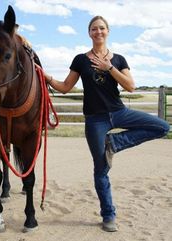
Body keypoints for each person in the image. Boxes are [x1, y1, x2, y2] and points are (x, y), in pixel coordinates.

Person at [44, 16, 170, 232]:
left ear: (108, 31)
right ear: (89, 33)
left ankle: (115, 142)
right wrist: (44, 76)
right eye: (94, 29)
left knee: (162, 127)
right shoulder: (80, 60)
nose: (98, 32)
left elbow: (130, 86)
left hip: (119, 112)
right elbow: (65, 87)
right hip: (95, 119)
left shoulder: (119, 59)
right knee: (101, 168)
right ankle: (108, 215)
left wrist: (109, 67)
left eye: (102, 28)